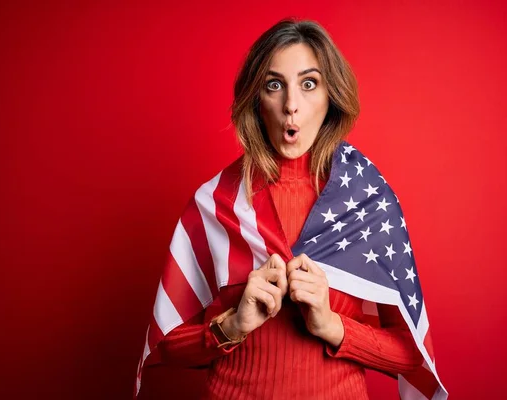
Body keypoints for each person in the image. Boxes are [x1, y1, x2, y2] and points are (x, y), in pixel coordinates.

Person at [140, 18, 439, 399]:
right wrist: (233, 326)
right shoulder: (216, 203)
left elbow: (411, 352)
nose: (291, 106)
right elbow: (166, 344)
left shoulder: (368, 200)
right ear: (255, 99)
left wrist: (332, 325)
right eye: (274, 85)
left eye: (309, 84)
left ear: (331, 97)